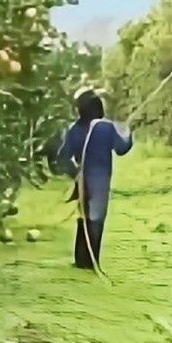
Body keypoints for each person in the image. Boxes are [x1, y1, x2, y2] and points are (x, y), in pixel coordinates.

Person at [53, 90, 133, 270]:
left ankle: (80, 260)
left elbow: (63, 158)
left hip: (82, 180)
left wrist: (76, 174)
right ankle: (91, 263)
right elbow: (122, 148)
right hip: (100, 179)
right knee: (96, 218)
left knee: (84, 217)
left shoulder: (75, 128)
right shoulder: (105, 127)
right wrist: (127, 133)